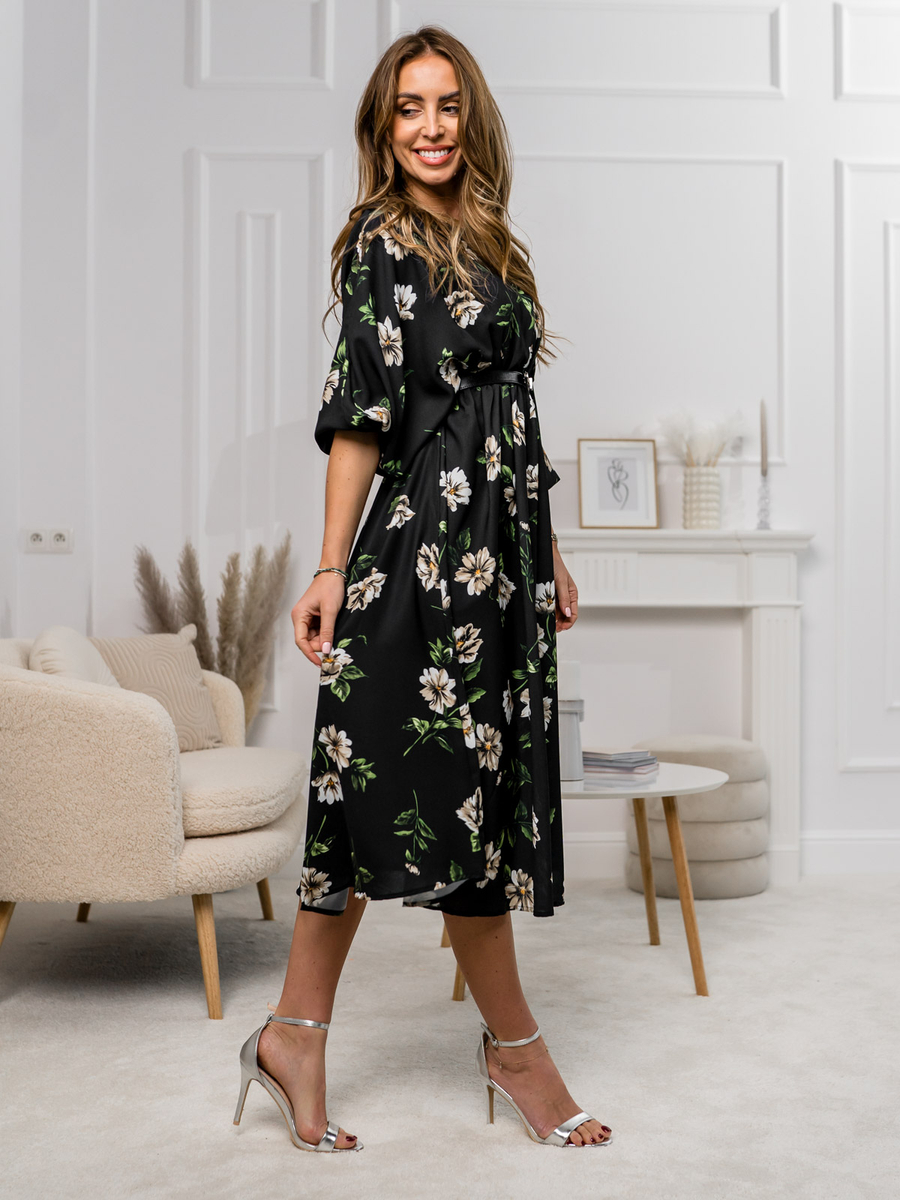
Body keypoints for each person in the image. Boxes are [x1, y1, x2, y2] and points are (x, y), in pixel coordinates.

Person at [232, 26, 612, 1153]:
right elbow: (360, 417)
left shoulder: (493, 242)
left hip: (497, 563)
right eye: (409, 108)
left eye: (447, 106)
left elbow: (513, 414)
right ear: (383, 126)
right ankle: (512, 1051)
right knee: (394, 792)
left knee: (433, 799)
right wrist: (329, 567)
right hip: (417, 556)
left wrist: (547, 550)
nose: (431, 128)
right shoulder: (380, 243)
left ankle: (295, 1034)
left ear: (471, 117)